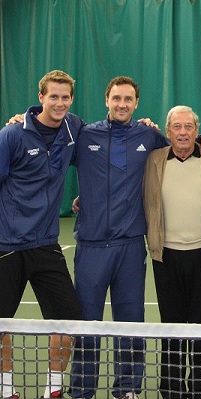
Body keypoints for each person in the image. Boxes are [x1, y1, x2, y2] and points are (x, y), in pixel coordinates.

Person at [67, 76, 171, 399]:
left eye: (128, 99)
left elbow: (185, 147)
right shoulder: (85, 135)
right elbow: (48, 141)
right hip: (91, 247)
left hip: (130, 247)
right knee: (87, 325)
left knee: (130, 323)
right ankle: (83, 389)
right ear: (106, 100)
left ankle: (127, 389)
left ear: (136, 103)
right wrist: (21, 120)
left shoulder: (150, 135)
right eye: (116, 99)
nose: (122, 104)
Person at [0, 70, 83, 399]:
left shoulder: (73, 129)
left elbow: (99, 155)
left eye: (65, 97)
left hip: (46, 244)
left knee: (68, 320)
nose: (59, 102)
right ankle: (6, 388)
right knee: (1, 321)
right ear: (41, 98)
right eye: (54, 96)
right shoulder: (12, 135)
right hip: (7, 245)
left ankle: (54, 387)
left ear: (71, 99)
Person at [143, 105, 201, 399]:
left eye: (189, 127)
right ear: (167, 132)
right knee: (172, 326)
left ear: (197, 130)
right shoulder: (153, 160)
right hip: (165, 256)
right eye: (176, 127)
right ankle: (171, 389)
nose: (182, 132)